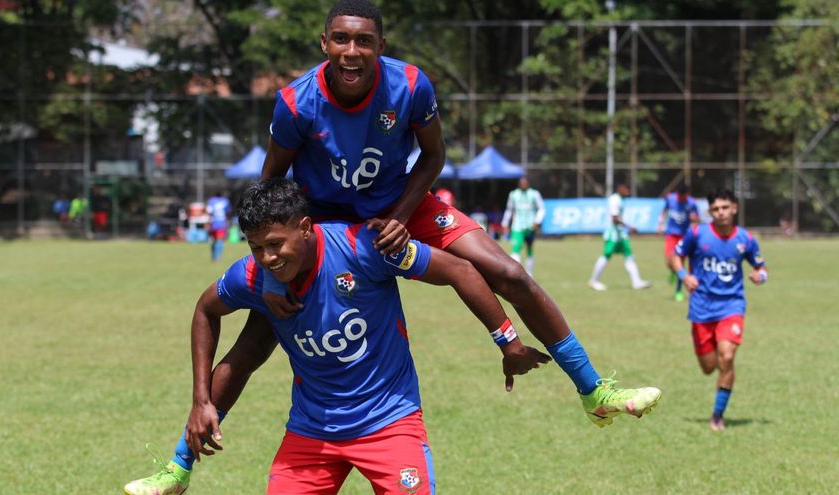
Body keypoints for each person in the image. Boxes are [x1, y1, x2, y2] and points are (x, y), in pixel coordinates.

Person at [128, 2, 662, 492]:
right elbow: (269, 185)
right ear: (324, 44)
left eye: (363, 41)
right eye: (341, 40)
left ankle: (593, 392)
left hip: (399, 207)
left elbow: (433, 158)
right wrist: (270, 275)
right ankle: (178, 469)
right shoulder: (296, 101)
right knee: (253, 342)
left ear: (380, 46)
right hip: (325, 225)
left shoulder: (409, 86)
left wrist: (401, 217)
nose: (351, 51)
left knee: (511, 273)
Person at [124, 178, 551, 495]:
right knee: (246, 354)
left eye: (275, 244)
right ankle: (177, 470)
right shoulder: (253, 277)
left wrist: (509, 342)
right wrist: (200, 401)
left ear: (305, 227)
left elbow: (459, 269)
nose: (268, 258)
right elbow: (205, 310)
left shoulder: (365, 247)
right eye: (256, 248)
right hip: (312, 433)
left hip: (390, 425)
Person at [671, 189, 767, 432]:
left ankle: (717, 415)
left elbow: (761, 267)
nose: (721, 213)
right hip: (701, 308)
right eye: (715, 209)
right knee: (708, 367)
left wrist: (760, 276)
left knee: (727, 357)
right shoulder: (697, 233)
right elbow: (676, 256)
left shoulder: (745, 239)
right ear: (710, 212)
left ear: (734, 208)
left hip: (732, 306)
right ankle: (717, 368)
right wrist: (683, 275)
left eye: (725, 208)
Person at [588, 183, 652, 291]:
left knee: (629, 256)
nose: (628, 192)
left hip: (621, 234)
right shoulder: (614, 200)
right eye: (626, 189)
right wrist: (630, 227)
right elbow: (615, 219)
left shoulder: (622, 199)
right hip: (613, 234)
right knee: (606, 256)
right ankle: (594, 280)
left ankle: (636, 282)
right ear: (620, 189)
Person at [657, 183, 699, 301]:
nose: (681, 198)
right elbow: (664, 210)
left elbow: (697, 219)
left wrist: (694, 218)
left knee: (680, 263)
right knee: (669, 262)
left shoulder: (691, 203)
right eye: (680, 196)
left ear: (687, 195)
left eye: (683, 196)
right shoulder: (670, 199)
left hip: (684, 236)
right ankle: (673, 271)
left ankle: (678, 291)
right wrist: (660, 224)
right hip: (671, 235)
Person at [501, 176, 545, 275]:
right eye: (522, 183)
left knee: (529, 250)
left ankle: (530, 274)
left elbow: (541, 208)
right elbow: (509, 209)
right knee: (515, 248)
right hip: (517, 226)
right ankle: (516, 274)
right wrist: (505, 223)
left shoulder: (534, 194)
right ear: (519, 184)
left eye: (525, 183)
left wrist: (537, 221)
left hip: (530, 227)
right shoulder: (513, 194)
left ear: (528, 183)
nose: (523, 185)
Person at [205, 191, 231, 261]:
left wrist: (207, 223)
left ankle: (213, 256)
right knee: (220, 240)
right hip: (221, 223)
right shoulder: (225, 201)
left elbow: (208, 212)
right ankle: (218, 257)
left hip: (213, 223)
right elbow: (228, 212)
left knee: (213, 240)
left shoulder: (211, 201)